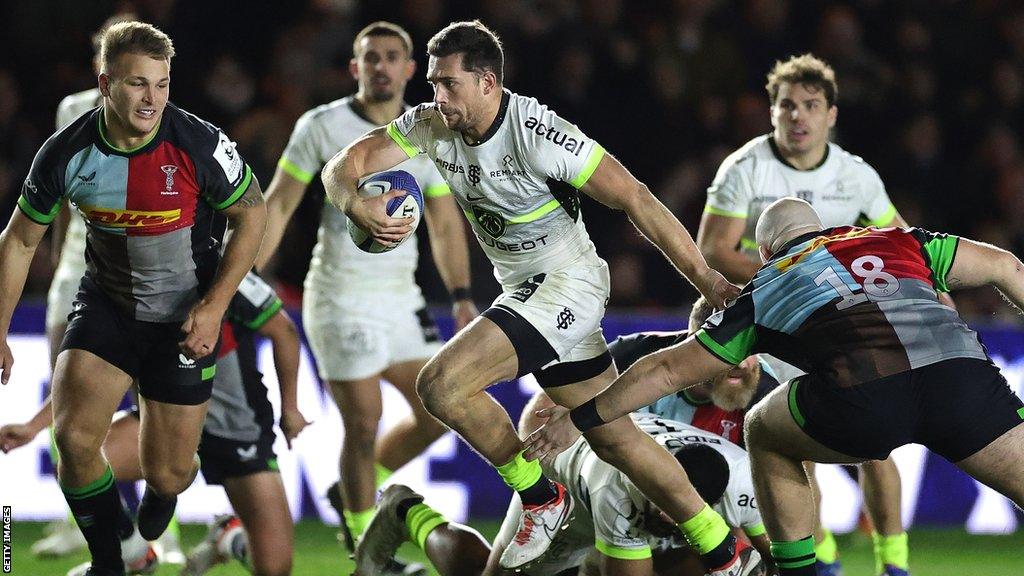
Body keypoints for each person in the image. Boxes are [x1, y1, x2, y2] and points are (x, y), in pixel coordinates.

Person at [322, 19, 751, 574]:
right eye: (432, 84)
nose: (437, 97)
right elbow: (345, 166)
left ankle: (541, 496)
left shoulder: (539, 134)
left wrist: (711, 282)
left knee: (441, 384)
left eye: (449, 84)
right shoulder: (432, 125)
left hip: (568, 284)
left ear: (488, 83)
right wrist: (356, 204)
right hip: (528, 291)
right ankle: (722, 551)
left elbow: (636, 199)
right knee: (612, 433)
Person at [527, 198, 1024, 576]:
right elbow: (1007, 266)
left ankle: (798, 570)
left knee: (764, 426)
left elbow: (668, 371)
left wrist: (583, 416)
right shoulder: (900, 240)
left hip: (865, 401)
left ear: (764, 252)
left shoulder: (765, 287)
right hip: (961, 381)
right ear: (823, 229)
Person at [0, 21, 267, 576]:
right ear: (105, 84)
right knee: (71, 438)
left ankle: (168, 487)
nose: (152, 99)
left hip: (182, 319)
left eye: (162, 84)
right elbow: (19, 241)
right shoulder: (66, 152)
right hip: (108, 307)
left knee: (168, 473)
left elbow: (253, 214)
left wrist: (215, 306)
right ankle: (112, 561)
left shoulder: (198, 144)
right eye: (137, 84)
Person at [256, 21, 475, 553]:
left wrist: (463, 294)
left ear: (408, 69)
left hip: (402, 302)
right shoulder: (321, 126)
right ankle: (361, 542)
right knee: (364, 420)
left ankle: (352, 489)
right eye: (370, 57)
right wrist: (247, 273)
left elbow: (445, 223)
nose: (380, 65)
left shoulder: (428, 133)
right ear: (355, 68)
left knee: (439, 410)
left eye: (392, 56)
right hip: (338, 297)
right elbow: (280, 202)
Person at [696, 54, 914, 575]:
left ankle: (895, 565)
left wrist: (933, 293)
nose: (798, 117)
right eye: (787, 105)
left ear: (830, 115)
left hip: (844, 326)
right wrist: (799, 274)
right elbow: (713, 248)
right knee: (796, 443)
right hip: (775, 324)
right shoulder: (745, 168)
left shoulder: (855, 177)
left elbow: (900, 238)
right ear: (771, 112)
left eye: (810, 106)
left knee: (877, 445)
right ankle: (825, 559)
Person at [5, 272, 308, 576]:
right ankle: (131, 551)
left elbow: (284, 331)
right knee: (78, 456)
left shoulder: (224, 271)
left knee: (275, 569)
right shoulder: (129, 277)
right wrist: (35, 425)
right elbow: (91, 378)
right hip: (164, 422)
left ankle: (229, 540)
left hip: (236, 429)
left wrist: (291, 408)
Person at [355, 394, 771, 576]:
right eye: (661, 504)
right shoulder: (619, 486)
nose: (667, 517)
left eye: (677, 512)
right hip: (569, 489)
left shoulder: (745, 482)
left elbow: (784, 561)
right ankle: (405, 512)